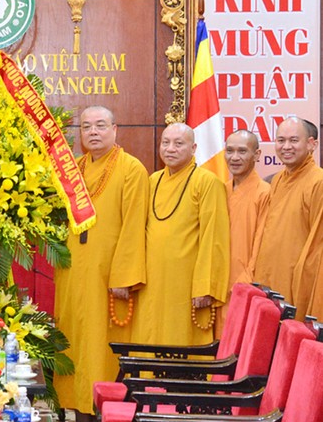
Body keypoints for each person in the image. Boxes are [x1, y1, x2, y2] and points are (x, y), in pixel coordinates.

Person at [54, 106, 148, 416]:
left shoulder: (131, 169)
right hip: (74, 272)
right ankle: (76, 409)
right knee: (74, 339)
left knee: (100, 344)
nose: (93, 132)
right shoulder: (75, 169)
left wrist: (123, 276)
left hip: (108, 276)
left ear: (115, 129)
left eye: (100, 126)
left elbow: (134, 226)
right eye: (86, 127)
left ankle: (103, 413)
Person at [132, 123, 229, 346]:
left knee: (182, 340)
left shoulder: (207, 182)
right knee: (150, 336)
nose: (170, 149)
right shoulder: (152, 180)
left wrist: (205, 286)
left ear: (194, 148)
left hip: (186, 284)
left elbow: (214, 239)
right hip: (152, 282)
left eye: (178, 143)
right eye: (165, 143)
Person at [253, 117, 323, 319]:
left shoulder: (318, 182)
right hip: (270, 280)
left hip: (298, 282)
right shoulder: (277, 181)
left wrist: (305, 287)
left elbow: (317, 248)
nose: (286, 146)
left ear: (312, 144)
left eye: (294, 140)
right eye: (280, 140)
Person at [217, 130, 270, 337]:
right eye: (230, 151)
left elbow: (262, 244)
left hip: (245, 285)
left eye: (242, 151)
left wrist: (246, 280)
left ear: (257, 155)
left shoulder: (264, 192)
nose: (235, 158)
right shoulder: (221, 190)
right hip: (219, 285)